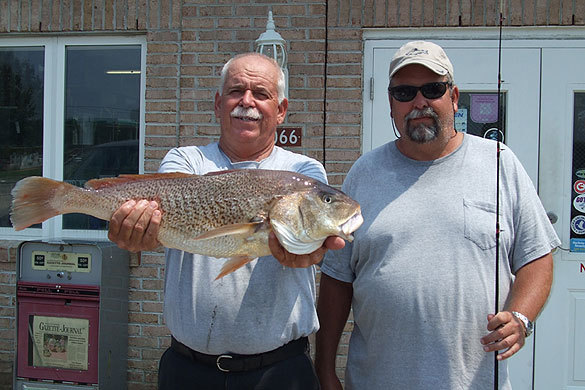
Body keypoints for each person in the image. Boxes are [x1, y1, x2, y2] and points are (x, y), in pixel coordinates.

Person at [314, 41, 560, 389]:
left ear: (454, 97)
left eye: (433, 89)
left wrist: (521, 316)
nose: (419, 102)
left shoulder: (499, 163)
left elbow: (537, 256)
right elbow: (338, 279)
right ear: (390, 103)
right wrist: (324, 368)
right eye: (404, 92)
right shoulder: (363, 173)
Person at [107, 52, 344, 389]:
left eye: (261, 94)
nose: (246, 102)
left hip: (280, 371)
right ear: (218, 104)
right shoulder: (186, 160)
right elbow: (160, 213)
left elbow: (310, 245)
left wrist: (310, 251)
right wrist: (140, 232)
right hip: (188, 370)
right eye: (236, 92)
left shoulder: (302, 174)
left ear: (281, 110)